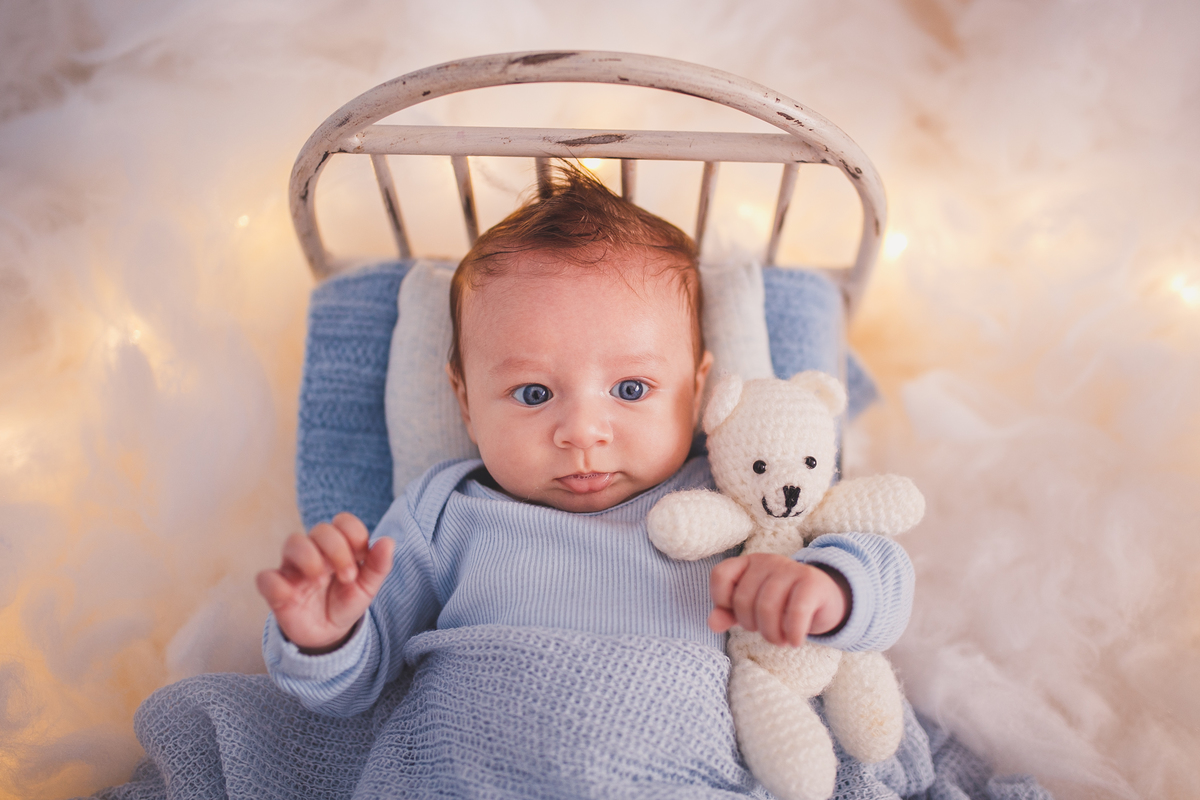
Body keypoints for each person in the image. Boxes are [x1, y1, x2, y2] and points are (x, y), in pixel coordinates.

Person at [255, 164, 913, 794]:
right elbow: (354, 687)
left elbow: (884, 577)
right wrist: (326, 633)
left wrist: (827, 589)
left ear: (698, 389)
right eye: (534, 393)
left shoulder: (732, 492)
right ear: (465, 402)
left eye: (630, 389)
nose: (582, 432)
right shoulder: (444, 510)